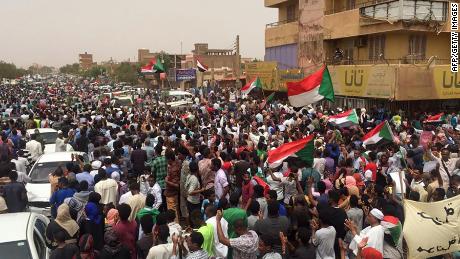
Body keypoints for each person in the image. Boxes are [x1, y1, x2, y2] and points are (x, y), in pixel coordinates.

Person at [164, 149, 181, 222]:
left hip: (171, 193)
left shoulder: (173, 168)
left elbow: (177, 184)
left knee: (172, 212)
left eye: (166, 158)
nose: (166, 160)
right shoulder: (177, 164)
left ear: (169, 159)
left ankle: (175, 227)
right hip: (174, 193)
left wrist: (167, 181)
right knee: (176, 210)